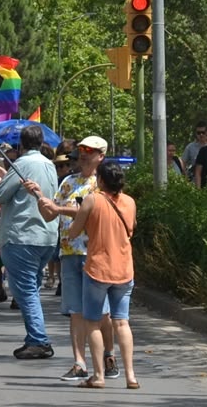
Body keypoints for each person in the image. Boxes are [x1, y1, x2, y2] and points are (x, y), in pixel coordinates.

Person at [37, 136, 119, 381]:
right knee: (75, 311)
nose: (83, 154)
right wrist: (39, 196)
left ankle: (109, 354)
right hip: (69, 253)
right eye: (81, 149)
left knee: (101, 313)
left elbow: (90, 211)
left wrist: (59, 208)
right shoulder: (68, 182)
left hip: (95, 253)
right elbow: (51, 215)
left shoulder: (103, 185)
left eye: (90, 151)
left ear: (100, 156)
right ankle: (79, 363)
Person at [0, 125, 59, 360]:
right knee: (31, 288)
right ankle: (34, 337)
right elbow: (23, 189)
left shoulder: (23, 164)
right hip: (46, 235)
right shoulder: (49, 165)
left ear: (21, 145)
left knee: (26, 290)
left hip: (22, 235)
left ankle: (38, 339)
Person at [68, 163, 139, 390]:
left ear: (100, 180)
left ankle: (98, 375)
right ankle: (130, 376)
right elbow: (132, 228)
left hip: (98, 268)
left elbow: (73, 232)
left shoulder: (92, 199)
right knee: (121, 322)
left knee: (92, 323)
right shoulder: (130, 202)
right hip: (124, 268)